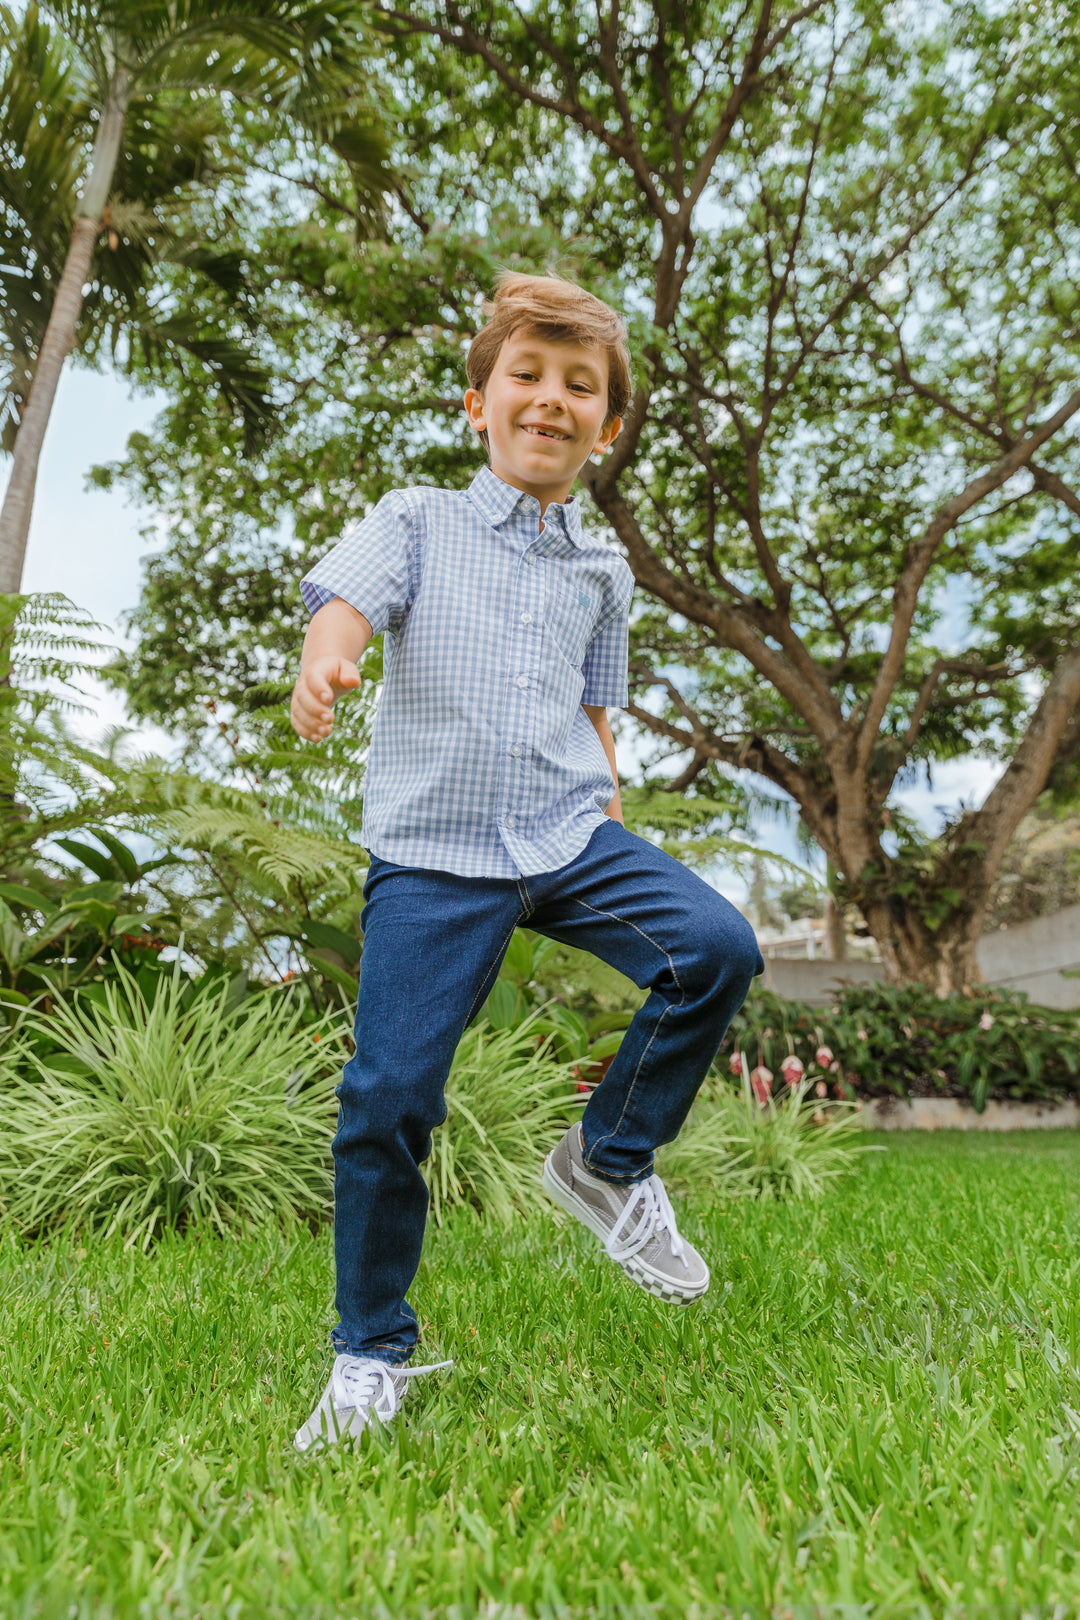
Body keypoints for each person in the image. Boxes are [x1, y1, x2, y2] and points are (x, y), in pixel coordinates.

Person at [289, 272, 763, 1452]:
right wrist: (326, 661)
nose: (550, 399)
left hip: (565, 833)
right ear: (479, 404)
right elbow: (346, 604)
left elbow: (595, 709)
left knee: (714, 948)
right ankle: (370, 1354)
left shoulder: (605, 575)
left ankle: (607, 1164)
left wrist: (608, 785)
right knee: (389, 1095)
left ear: (604, 430)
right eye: (528, 376)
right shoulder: (417, 520)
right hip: (436, 853)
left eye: (579, 387)